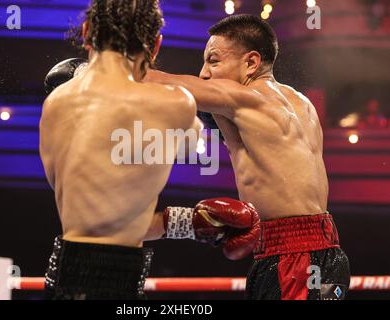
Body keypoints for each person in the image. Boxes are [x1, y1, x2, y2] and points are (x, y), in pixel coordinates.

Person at [40, 1, 259, 300]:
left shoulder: (55, 103)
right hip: (122, 276)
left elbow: (97, 214)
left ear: (87, 32)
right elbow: (197, 139)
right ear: (155, 45)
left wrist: (189, 222)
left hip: (63, 274)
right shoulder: (175, 105)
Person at [145, 14, 350, 300]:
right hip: (325, 252)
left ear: (251, 63)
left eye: (213, 61)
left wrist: (101, 71)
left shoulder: (246, 98)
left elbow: (170, 84)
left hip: (292, 258)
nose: (204, 73)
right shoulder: (301, 103)